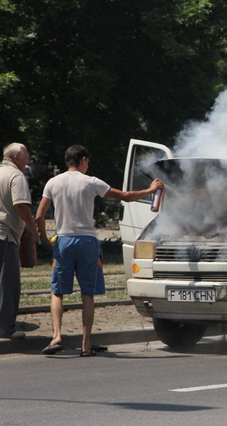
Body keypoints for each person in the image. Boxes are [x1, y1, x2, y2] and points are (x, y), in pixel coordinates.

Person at [35, 145, 163, 356]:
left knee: (57, 292)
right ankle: (86, 345)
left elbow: (39, 216)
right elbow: (127, 196)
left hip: (63, 241)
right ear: (84, 160)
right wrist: (150, 190)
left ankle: (56, 336)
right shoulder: (91, 182)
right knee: (88, 294)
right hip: (87, 242)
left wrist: (46, 241)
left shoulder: (53, 183)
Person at [0, 142, 38, 339]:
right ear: (16, 158)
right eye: (26, 155)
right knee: (7, 285)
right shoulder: (16, 176)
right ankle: (4, 329)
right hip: (1, 236)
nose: (28, 159)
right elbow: (21, 205)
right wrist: (33, 227)